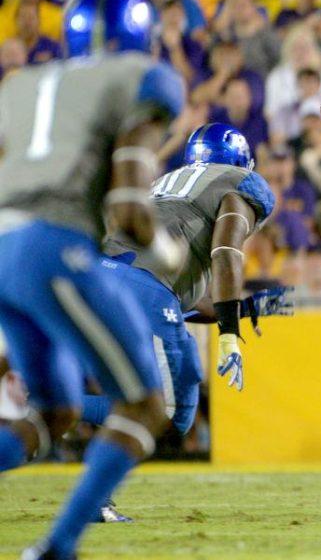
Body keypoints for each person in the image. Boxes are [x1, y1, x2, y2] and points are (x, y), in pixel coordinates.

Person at [0, 0, 186, 560]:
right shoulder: (146, 77)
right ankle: (57, 551)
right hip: (51, 246)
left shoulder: (23, 82)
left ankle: (58, 551)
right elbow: (132, 208)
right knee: (145, 406)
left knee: (51, 415)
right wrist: (166, 252)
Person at [78, 124, 289, 521]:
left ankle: (95, 490)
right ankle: (48, 408)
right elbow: (226, 252)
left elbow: (183, 298)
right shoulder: (241, 184)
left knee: (149, 398)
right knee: (170, 414)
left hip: (104, 277)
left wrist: (237, 310)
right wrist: (229, 334)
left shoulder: (167, 182)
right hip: (142, 287)